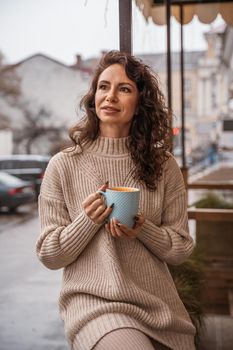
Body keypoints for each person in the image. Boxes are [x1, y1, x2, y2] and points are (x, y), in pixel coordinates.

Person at [36, 50, 196, 350]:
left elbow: (181, 248)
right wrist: (88, 221)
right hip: (95, 305)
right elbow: (49, 254)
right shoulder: (63, 164)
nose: (110, 96)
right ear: (93, 97)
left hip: (158, 304)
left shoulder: (164, 166)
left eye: (124, 89)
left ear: (139, 105)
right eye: (103, 87)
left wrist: (143, 229)